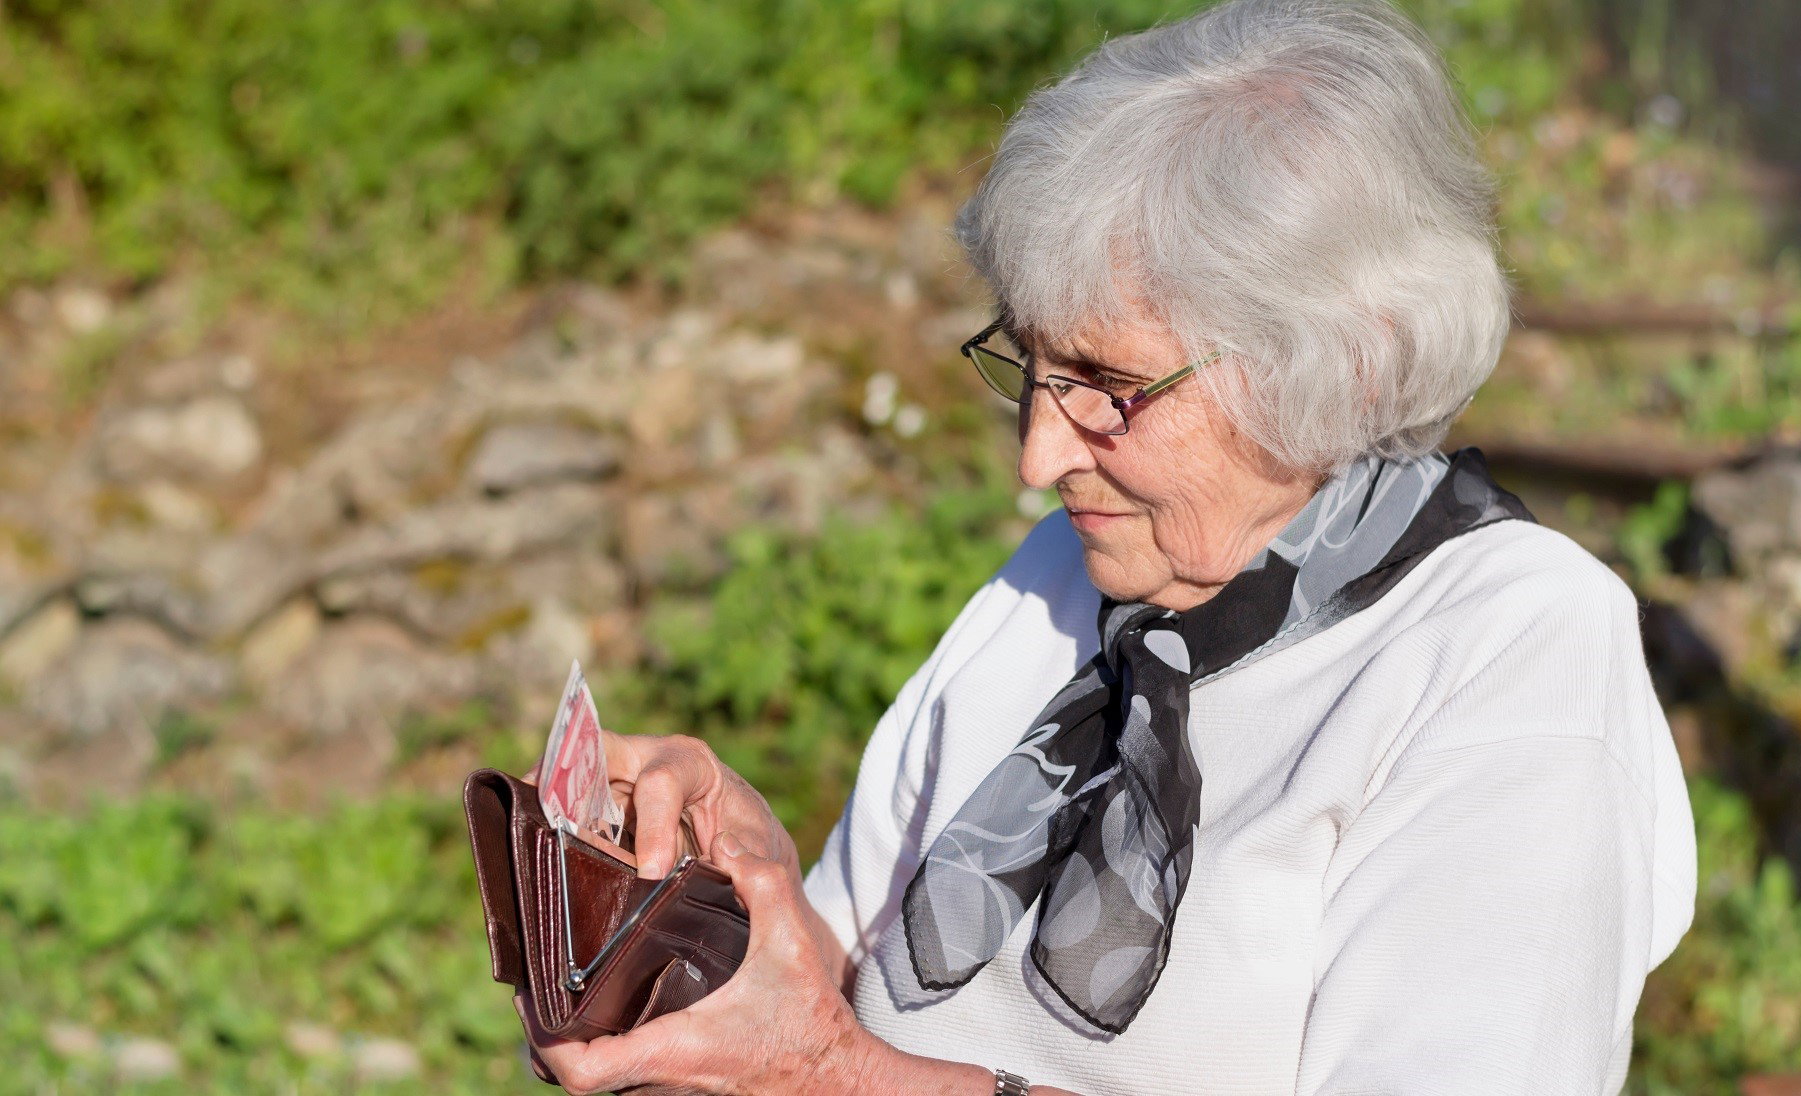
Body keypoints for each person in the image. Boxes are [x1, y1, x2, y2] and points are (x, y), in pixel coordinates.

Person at [515, 0, 1697, 1091]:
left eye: (1110, 385)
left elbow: (837, 1064)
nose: (1039, 455)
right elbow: (840, 1001)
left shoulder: (1506, 650)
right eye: (1028, 366)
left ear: (1343, 365)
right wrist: (734, 902)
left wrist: (831, 1078)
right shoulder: (1066, 574)